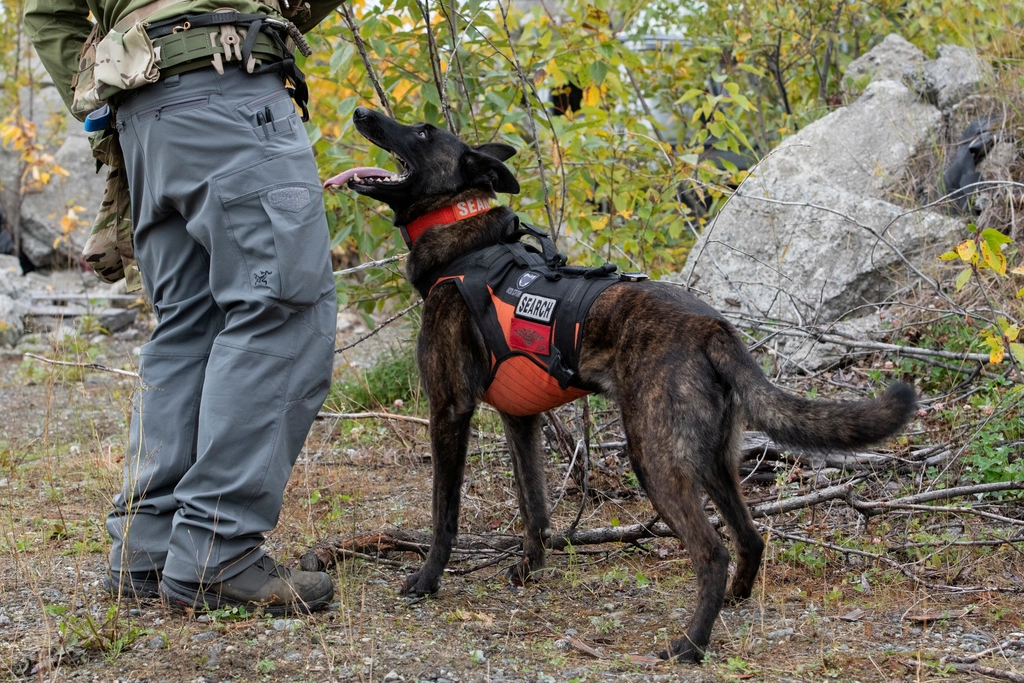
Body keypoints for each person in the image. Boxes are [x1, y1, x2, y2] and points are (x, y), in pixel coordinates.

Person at [24, 0, 344, 615]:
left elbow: (49, 11)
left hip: (144, 118)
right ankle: (215, 551)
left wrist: (110, 80)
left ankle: (148, 546)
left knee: (187, 325)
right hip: (227, 92)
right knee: (283, 310)